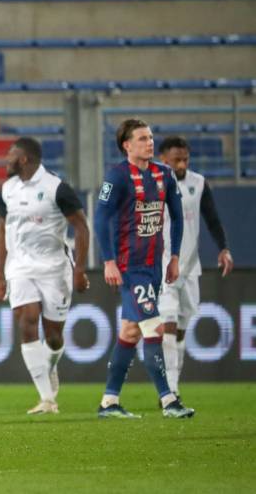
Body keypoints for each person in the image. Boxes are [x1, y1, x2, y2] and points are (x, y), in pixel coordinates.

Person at [94, 118, 194, 419]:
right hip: (129, 267)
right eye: (142, 138)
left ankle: (109, 402)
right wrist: (109, 260)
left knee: (130, 332)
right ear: (127, 145)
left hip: (153, 266)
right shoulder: (117, 176)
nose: (149, 143)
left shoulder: (164, 174)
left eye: (150, 137)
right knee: (154, 328)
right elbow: (100, 218)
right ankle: (168, 400)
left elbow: (176, 217)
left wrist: (174, 256)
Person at [0, 137, 90, 414]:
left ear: (24, 159)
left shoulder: (56, 188)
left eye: (10, 154)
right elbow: (2, 232)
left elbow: (81, 228)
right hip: (20, 267)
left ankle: (51, 364)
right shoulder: (7, 189)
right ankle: (47, 399)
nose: (5, 159)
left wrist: (79, 270)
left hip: (54, 268)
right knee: (27, 320)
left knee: (54, 337)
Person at [158, 136, 233, 398]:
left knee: (180, 327)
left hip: (190, 268)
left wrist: (223, 248)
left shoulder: (198, 183)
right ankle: (170, 390)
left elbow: (212, 218)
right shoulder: (153, 183)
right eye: (176, 159)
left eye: (185, 159)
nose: (182, 163)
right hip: (163, 266)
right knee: (167, 322)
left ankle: (172, 382)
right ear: (164, 159)